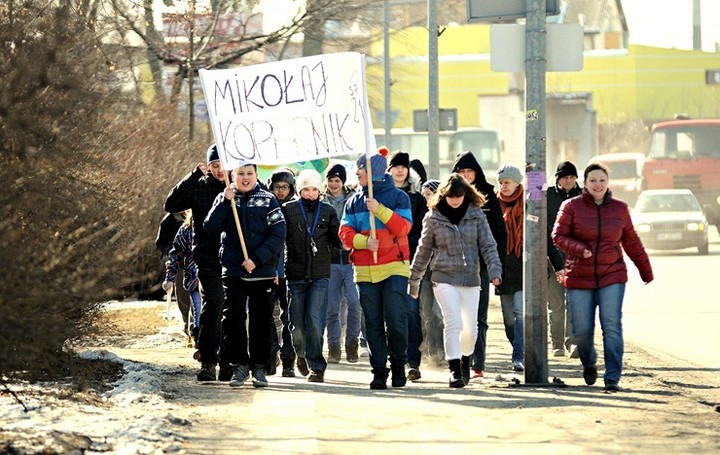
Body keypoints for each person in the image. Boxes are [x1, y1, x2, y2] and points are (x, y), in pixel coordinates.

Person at [552, 162, 653, 392]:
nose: (598, 184)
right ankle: (589, 362)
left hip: (612, 276)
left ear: (608, 183)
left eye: (602, 180)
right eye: (592, 181)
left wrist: (645, 270)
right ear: (584, 184)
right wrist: (579, 249)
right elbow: (558, 236)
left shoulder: (619, 208)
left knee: (612, 326)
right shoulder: (571, 206)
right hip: (579, 277)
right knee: (582, 332)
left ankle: (612, 377)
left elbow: (632, 242)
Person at [409, 174, 502, 388]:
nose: (454, 200)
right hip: (443, 276)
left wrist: (495, 270)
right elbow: (423, 251)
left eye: (458, 196)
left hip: (471, 277)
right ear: (443, 195)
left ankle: (465, 360)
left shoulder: (476, 215)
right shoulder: (433, 217)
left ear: (466, 194)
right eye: (450, 196)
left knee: (471, 328)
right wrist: (414, 281)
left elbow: (488, 245)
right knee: (453, 322)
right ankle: (454, 370)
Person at [204, 162, 286, 388]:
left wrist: (257, 259)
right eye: (241, 174)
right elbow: (210, 227)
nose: (245, 178)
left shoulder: (268, 200)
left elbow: (279, 233)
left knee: (261, 320)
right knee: (233, 320)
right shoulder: (227, 198)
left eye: (250, 173)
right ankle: (240, 365)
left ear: (256, 175)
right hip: (234, 271)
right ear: (234, 175)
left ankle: (259, 367)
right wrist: (223, 201)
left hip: (262, 272)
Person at [339, 147, 413, 390]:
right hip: (365, 269)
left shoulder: (399, 197)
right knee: (372, 323)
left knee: (396, 320)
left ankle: (399, 364)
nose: (357, 172)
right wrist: (363, 242)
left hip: (394, 267)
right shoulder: (352, 202)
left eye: (361, 168)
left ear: (375, 171)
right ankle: (379, 370)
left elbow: (403, 228)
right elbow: (344, 233)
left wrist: (379, 209)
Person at [164, 144, 229, 381]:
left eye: (224, 165)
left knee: (232, 308)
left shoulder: (241, 186)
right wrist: (193, 176)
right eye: (215, 165)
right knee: (213, 303)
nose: (220, 170)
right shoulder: (199, 186)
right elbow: (170, 204)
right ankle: (208, 361)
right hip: (207, 256)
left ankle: (228, 358)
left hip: (234, 257)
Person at [282, 169, 342, 383]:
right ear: (299, 190)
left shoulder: (327, 211)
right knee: (296, 323)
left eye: (314, 189)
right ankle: (301, 353)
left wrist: (349, 241)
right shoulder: (288, 210)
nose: (310, 193)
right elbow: (280, 238)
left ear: (319, 190)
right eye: (305, 189)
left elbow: (337, 238)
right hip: (295, 273)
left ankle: (317, 366)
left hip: (319, 274)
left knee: (315, 321)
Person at [451, 151, 507, 379]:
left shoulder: (488, 196)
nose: (466, 176)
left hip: (481, 267)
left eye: (469, 171)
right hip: (454, 267)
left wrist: (497, 266)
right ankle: (458, 360)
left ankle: (478, 363)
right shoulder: (450, 195)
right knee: (457, 317)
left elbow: (498, 234)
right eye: (461, 172)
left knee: (479, 316)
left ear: (477, 172)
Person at [387, 150, 426, 381]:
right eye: (395, 166)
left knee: (411, 312)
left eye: (403, 166)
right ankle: (394, 359)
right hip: (385, 262)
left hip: (410, 263)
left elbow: (422, 233)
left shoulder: (417, 199)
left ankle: (413, 361)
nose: (400, 170)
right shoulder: (381, 196)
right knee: (389, 314)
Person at [323, 163, 362, 364]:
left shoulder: (353, 199)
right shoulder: (322, 201)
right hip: (330, 261)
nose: (334, 184)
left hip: (351, 260)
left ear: (343, 181)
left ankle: (352, 342)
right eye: (330, 180)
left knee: (354, 303)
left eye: (337, 180)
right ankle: (334, 345)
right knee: (332, 307)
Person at [546, 161, 583, 358]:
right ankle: (557, 343)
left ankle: (573, 342)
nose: (568, 181)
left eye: (571, 177)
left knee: (575, 303)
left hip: (576, 260)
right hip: (552, 260)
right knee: (556, 304)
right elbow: (542, 228)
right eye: (564, 177)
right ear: (558, 179)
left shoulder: (584, 197)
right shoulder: (548, 196)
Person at [267, 168, 298, 377]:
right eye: (277, 187)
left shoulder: (296, 208)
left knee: (290, 318)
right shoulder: (266, 208)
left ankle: (289, 359)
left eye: (285, 187)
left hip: (291, 270)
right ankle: (270, 355)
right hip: (269, 269)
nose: (281, 191)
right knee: (268, 315)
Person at [495, 164, 525, 372]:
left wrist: (557, 266)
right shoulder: (494, 205)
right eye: (501, 183)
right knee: (508, 318)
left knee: (519, 312)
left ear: (517, 183)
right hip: (503, 269)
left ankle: (519, 355)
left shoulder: (530, 203)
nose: (504, 186)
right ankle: (518, 345)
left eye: (507, 182)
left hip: (524, 267)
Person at [162, 212, 202, 347]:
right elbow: (174, 252)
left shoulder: (220, 224)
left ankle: (210, 346)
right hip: (192, 277)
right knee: (197, 309)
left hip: (215, 278)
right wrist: (169, 278)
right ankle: (197, 339)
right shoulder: (185, 229)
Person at [418, 179, 445, 365]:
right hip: (424, 274)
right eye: (424, 194)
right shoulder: (421, 214)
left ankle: (441, 351)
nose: (426, 197)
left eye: (430, 194)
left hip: (442, 273)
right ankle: (430, 351)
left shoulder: (444, 216)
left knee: (439, 313)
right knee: (427, 313)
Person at [155, 211, 193, 339]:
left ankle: (197, 328)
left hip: (200, 262)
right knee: (183, 295)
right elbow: (161, 241)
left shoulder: (202, 212)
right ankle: (187, 325)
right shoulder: (171, 218)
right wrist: (173, 253)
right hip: (180, 263)